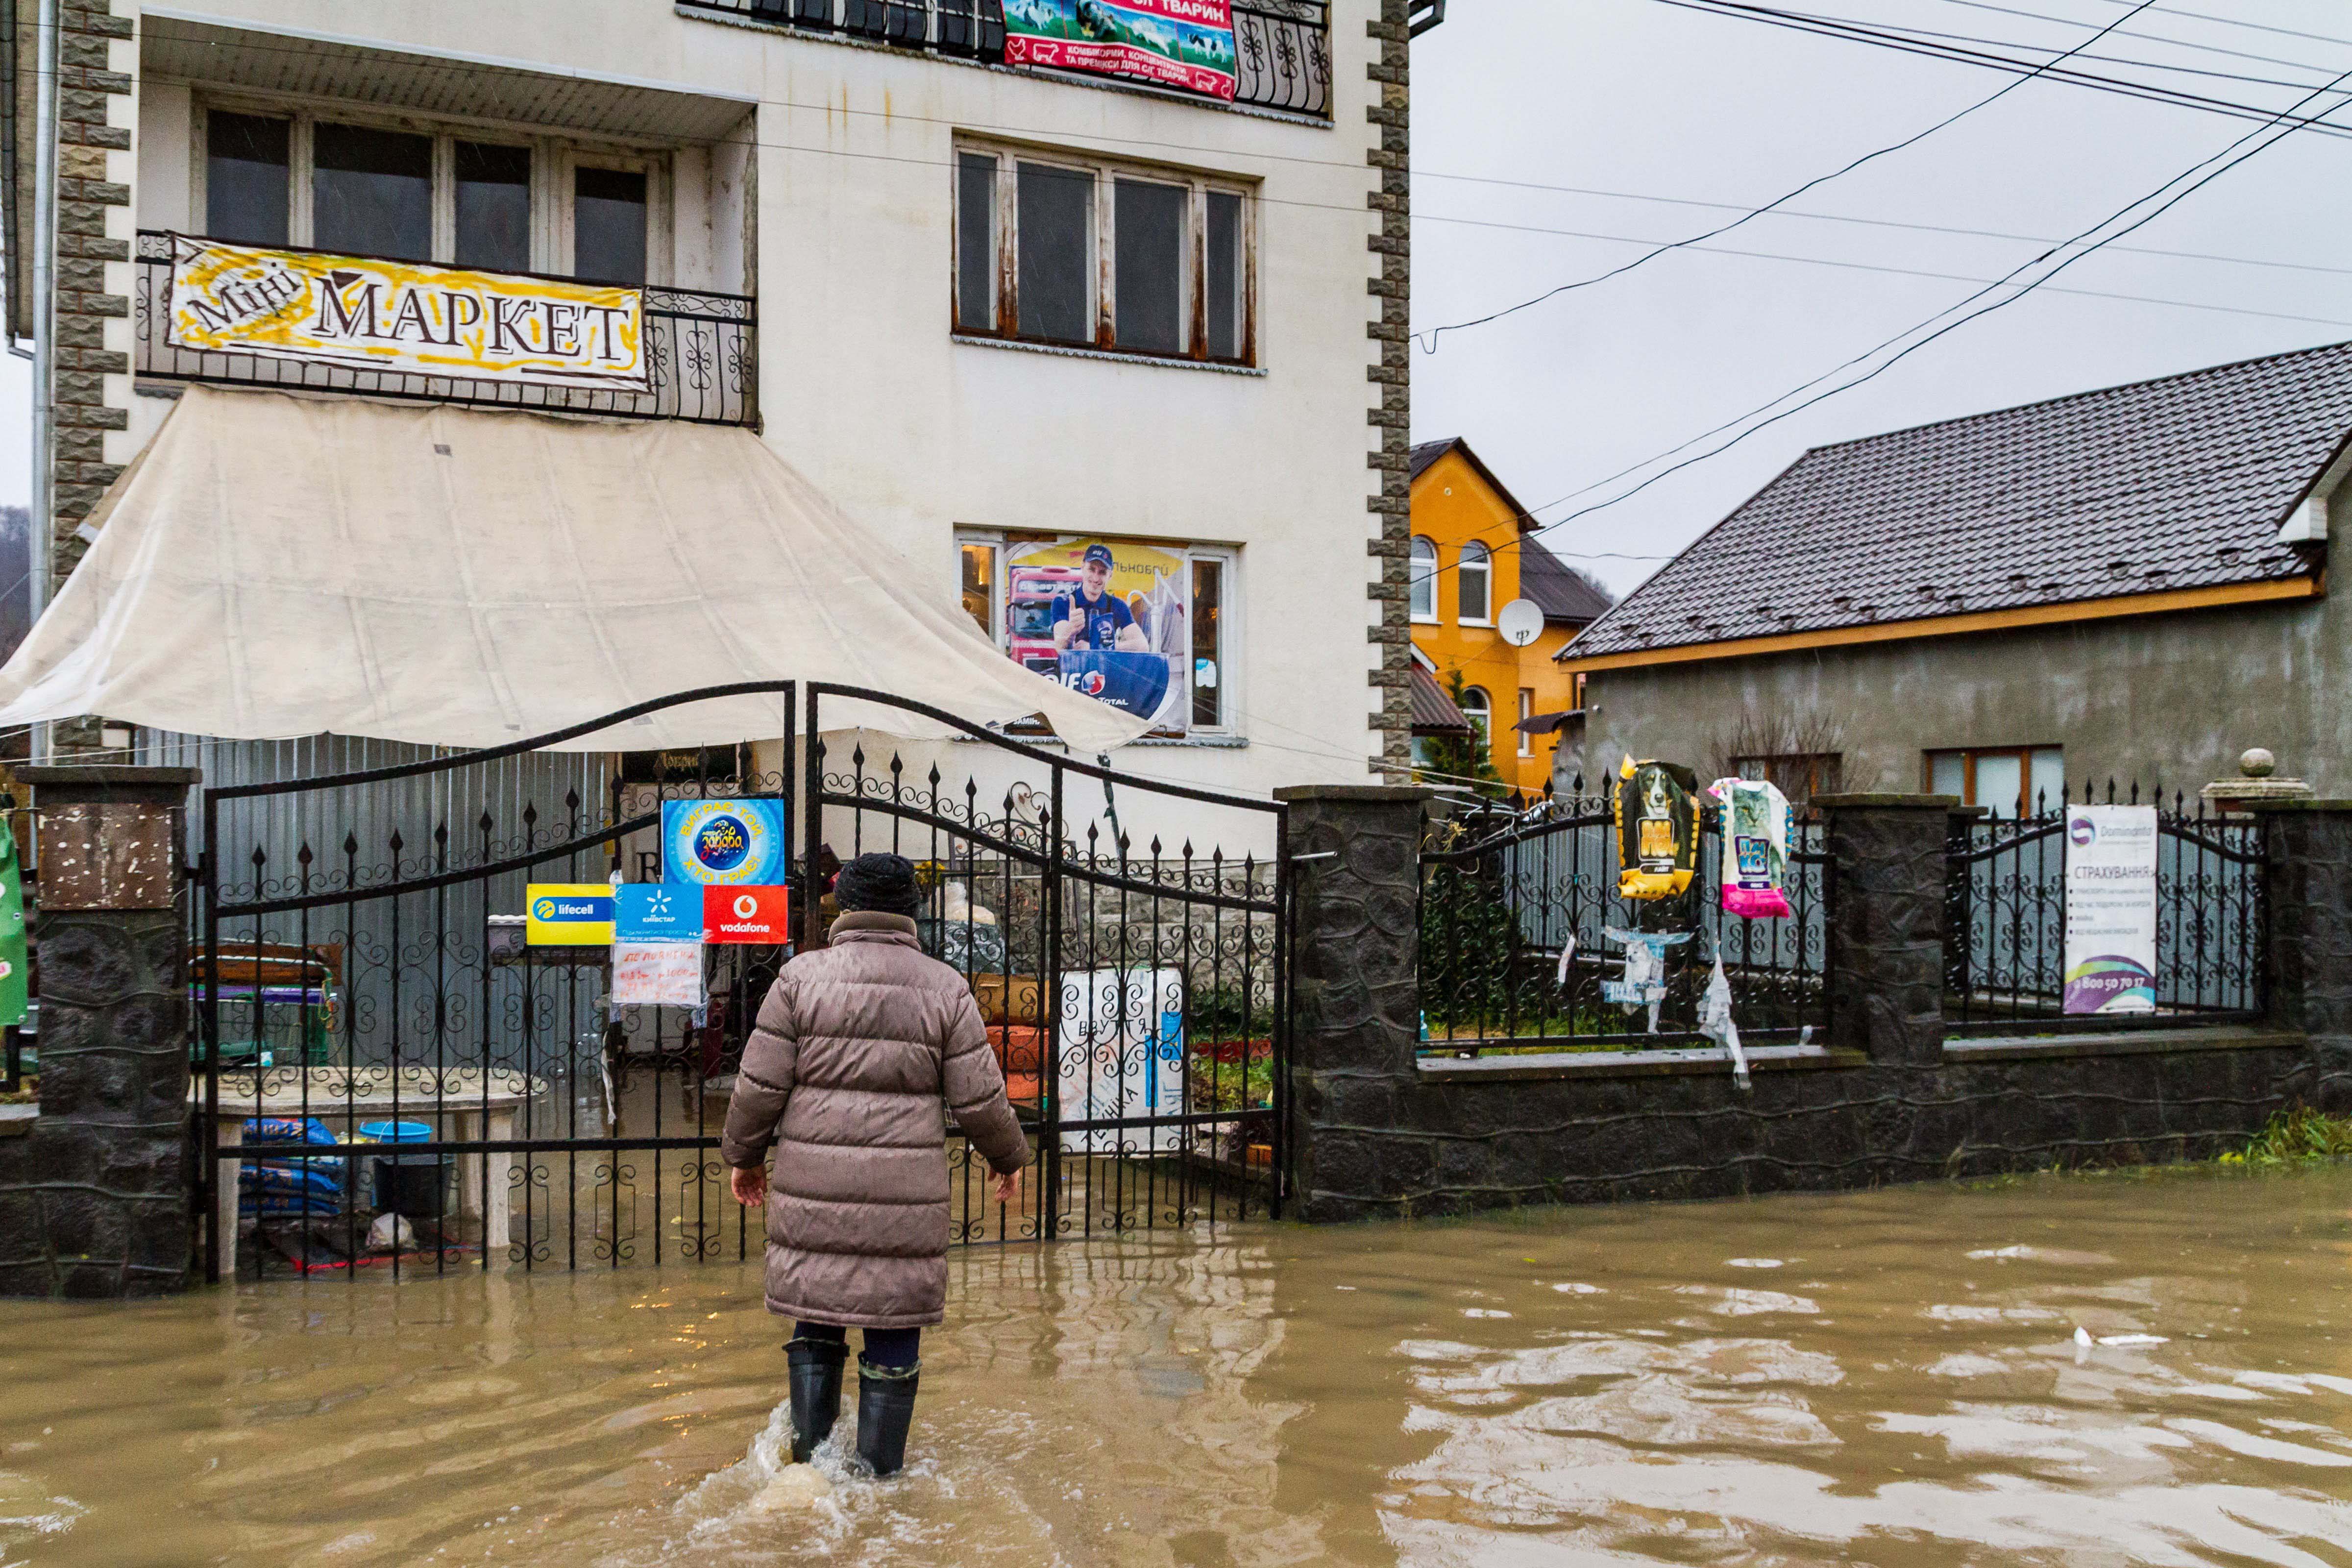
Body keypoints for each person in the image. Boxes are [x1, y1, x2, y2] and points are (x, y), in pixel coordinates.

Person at [722, 853, 1030, 1477]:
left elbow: (758, 1086)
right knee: (894, 1321)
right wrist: (1007, 1157)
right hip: (904, 1198)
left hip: (816, 1188)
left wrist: (745, 1157)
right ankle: (882, 1478)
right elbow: (979, 1094)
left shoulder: (799, 979)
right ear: (911, 913)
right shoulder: (945, 988)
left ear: (843, 906)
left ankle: (811, 1466)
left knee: (819, 1309)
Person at [1051, 542, 1150, 654]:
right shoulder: (1063, 602)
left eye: (1102, 572)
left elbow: (1142, 646)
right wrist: (1071, 631)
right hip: (1073, 670)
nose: (1096, 578)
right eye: (1092, 569)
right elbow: (1060, 647)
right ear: (1082, 567)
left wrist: (1096, 647)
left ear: (1110, 576)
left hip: (1104, 670)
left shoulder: (1117, 606)